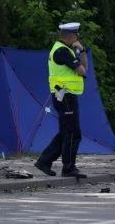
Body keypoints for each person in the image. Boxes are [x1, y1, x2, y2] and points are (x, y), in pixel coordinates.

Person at [34, 22, 87, 179]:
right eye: (76, 35)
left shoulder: (63, 49)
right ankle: (68, 168)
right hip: (65, 94)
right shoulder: (63, 51)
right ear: (71, 36)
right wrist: (82, 51)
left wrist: (82, 51)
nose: (77, 38)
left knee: (66, 132)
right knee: (72, 132)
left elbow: (84, 70)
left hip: (62, 94)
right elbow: (83, 71)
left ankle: (44, 161)